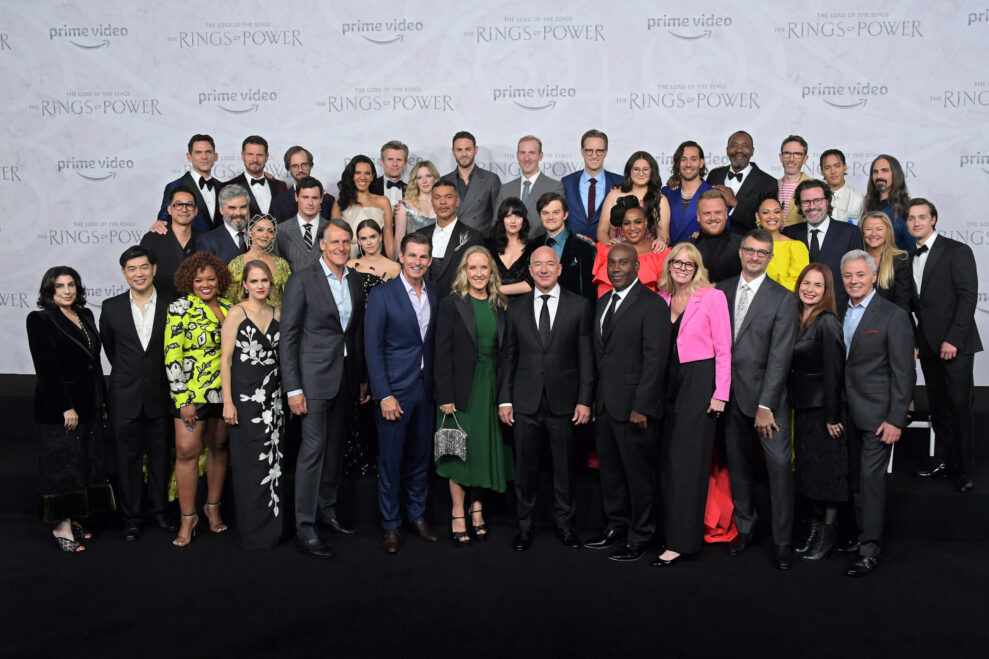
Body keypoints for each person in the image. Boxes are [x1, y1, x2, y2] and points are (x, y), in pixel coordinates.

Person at [280, 219, 368, 559]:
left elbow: (354, 333)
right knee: (313, 451)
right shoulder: (302, 280)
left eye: (346, 242)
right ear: (321, 244)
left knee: (335, 450)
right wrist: (293, 389)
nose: (341, 247)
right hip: (313, 381)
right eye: (335, 242)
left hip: (345, 378)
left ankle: (326, 510)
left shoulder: (355, 279)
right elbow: (289, 338)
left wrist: (361, 378)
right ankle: (305, 527)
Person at [499, 246, 594, 551]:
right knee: (525, 470)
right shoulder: (515, 308)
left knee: (564, 470)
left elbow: (586, 357)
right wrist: (505, 399)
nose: (543, 269)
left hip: (565, 403)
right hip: (524, 402)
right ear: (529, 270)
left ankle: (565, 526)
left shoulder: (579, 306)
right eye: (537, 265)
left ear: (559, 269)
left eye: (549, 264)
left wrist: (585, 399)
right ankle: (524, 528)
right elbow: (508, 357)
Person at [718, 229, 799, 570]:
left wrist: (766, 406)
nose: (754, 257)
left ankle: (782, 542)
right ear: (740, 252)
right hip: (729, 396)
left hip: (768, 401)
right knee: (737, 465)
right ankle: (745, 527)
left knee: (779, 469)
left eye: (762, 253)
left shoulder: (783, 298)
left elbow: (780, 357)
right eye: (750, 250)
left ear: (770, 257)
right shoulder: (720, 290)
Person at [583, 243, 670, 562]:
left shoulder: (652, 304)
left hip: (636, 409)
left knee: (638, 476)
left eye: (623, 263)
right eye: (612, 263)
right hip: (606, 405)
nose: (616, 268)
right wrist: (594, 399)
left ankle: (641, 534)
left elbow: (655, 359)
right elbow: (600, 356)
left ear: (637, 267)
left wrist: (642, 406)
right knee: (611, 473)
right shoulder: (603, 301)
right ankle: (616, 527)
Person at [651, 243, 731, 566]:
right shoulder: (661, 298)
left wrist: (720, 393)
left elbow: (724, 348)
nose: (682, 268)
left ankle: (681, 542)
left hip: (699, 380)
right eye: (677, 263)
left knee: (688, 464)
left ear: (697, 268)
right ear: (669, 265)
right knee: (667, 461)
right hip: (666, 381)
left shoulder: (712, 297)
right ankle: (667, 531)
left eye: (689, 264)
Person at [27, 266, 114, 552]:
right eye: (60, 286)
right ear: (49, 291)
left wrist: (101, 401)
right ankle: (61, 526)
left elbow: (94, 363)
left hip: (90, 404)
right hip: (60, 409)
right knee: (62, 466)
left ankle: (75, 517)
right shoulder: (40, 319)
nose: (67, 291)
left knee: (82, 463)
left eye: (71, 285)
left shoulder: (85, 315)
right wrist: (66, 407)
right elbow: (46, 368)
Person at [365, 233, 442, 554]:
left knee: (421, 459)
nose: (417, 262)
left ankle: (417, 516)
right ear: (401, 256)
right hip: (394, 392)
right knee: (391, 461)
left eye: (423, 257)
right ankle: (391, 524)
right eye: (412, 255)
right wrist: (383, 394)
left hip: (426, 391)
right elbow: (372, 348)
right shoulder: (382, 295)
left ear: (430, 259)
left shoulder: (435, 293)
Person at [840, 250, 914, 576]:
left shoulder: (893, 315)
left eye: (860, 275)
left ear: (873, 276)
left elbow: (904, 372)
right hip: (843, 413)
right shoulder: (837, 309)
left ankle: (869, 548)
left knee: (871, 482)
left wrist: (896, 418)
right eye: (848, 275)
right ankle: (856, 536)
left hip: (878, 416)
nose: (854, 281)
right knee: (851, 480)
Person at [434, 246, 514, 546]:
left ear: (491, 271)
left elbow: (506, 353)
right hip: (461, 389)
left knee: (482, 450)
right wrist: (445, 394)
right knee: (459, 451)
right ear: (464, 272)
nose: (478, 273)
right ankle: (458, 511)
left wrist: (505, 394)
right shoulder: (452, 303)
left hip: (491, 386)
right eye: (473, 268)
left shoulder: (499, 304)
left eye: (484, 268)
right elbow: (441, 352)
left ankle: (477, 508)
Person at [100, 246, 175, 541]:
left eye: (144, 267)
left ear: (154, 269)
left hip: (161, 393)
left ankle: (159, 512)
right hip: (125, 395)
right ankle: (132, 519)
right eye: (131, 269)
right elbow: (111, 349)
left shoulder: (172, 304)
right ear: (124, 273)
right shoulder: (111, 307)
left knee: (160, 457)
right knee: (127, 460)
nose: (138, 273)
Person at [908, 199, 981, 493]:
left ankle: (964, 471)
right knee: (938, 409)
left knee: (959, 408)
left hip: (955, 345)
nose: (916, 223)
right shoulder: (909, 258)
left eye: (922, 217)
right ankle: (947, 463)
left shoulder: (956, 251)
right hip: (928, 345)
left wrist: (953, 339)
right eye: (911, 218)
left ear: (933, 219)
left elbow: (967, 297)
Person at [164, 252, 233, 546]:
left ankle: (212, 508)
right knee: (187, 451)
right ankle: (187, 517)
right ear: (188, 282)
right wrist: (183, 399)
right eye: (198, 280)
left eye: (211, 278)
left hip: (224, 393)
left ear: (220, 280)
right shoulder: (180, 308)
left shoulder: (231, 308)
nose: (205, 284)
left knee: (219, 448)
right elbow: (172, 354)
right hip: (192, 394)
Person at [220, 260, 284, 550]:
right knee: (249, 465)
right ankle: (250, 531)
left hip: (274, 399)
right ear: (244, 284)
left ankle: (271, 530)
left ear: (271, 283)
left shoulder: (278, 313)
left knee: (272, 463)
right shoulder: (236, 313)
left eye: (264, 281)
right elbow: (225, 361)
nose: (260, 286)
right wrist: (228, 402)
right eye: (254, 281)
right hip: (245, 400)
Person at [790, 263, 847, 561]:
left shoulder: (827, 322)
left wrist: (832, 417)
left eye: (817, 285)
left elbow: (835, 372)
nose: (810, 289)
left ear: (826, 291)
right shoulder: (798, 317)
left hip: (824, 413)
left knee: (828, 476)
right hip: (803, 408)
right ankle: (814, 533)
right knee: (811, 474)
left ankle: (827, 536)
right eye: (806, 283)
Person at [782, 179, 863, 309]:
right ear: (799, 205)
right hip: (797, 310)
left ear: (828, 201)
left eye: (817, 200)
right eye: (806, 202)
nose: (812, 206)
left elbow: (857, 275)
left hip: (838, 310)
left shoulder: (850, 233)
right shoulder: (789, 233)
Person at [417, 179, 486, 296]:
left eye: (448, 197)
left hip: (458, 303)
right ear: (432, 202)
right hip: (423, 303)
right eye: (437, 197)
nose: (443, 202)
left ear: (457, 201)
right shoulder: (420, 234)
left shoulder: (473, 237)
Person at [706, 130, 779, 236]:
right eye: (734, 145)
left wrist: (735, 204)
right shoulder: (714, 175)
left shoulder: (768, 183)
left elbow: (765, 223)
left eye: (745, 146)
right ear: (727, 150)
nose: (739, 150)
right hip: (712, 241)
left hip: (747, 243)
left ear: (752, 151)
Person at [592, 196, 669, 295]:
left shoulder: (660, 254)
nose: (632, 228)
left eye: (638, 222)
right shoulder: (607, 251)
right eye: (627, 223)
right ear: (621, 226)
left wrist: (663, 239)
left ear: (646, 222)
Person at [597, 151, 670, 249]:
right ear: (629, 171)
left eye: (645, 169)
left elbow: (664, 235)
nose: (641, 173)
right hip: (618, 252)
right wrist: (610, 246)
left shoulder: (660, 200)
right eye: (636, 169)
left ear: (652, 172)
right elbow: (601, 231)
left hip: (648, 253)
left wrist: (662, 240)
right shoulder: (614, 195)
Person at [497, 135, 563, 239]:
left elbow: (558, 224)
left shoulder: (554, 187)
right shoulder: (505, 189)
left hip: (542, 246)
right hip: (510, 247)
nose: (526, 158)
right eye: (523, 153)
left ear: (540, 156)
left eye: (532, 153)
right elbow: (497, 223)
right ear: (517, 156)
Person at [561, 129, 623, 239]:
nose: (594, 156)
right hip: (573, 245)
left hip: (608, 246)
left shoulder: (620, 182)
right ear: (582, 151)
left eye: (599, 151)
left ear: (606, 152)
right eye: (589, 150)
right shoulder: (567, 182)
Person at [141, 186, 201, 300]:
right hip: (161, 305)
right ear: (169, 210)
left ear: (195, 211)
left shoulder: (205, 239)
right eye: (178, 205)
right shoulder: (152, 239)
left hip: (198, 306)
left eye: (189, 205)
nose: (184, 209)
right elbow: (142, 276)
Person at [331, 155, 396, 259]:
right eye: (358, 172)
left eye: (367, 173)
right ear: (351, 175)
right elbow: (335, 239)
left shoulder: (383, 202)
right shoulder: (339, 204)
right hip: (348, 259)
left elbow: (388, 237)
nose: (362, 177)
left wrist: (392, 263)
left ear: (372, 177)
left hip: (377, 258)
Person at [537, 192, 596, 302]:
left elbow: (590, 292)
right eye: (545, 213)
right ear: (540, 216)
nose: (550, 217)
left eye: (556, 212)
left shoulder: (585, 247)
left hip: (574, 309)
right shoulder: (532, 246)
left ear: (565, 214)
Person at [156, 134, 220, 232]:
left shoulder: (224, 187)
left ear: (215, 156)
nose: (204, 157)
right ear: (189, 157)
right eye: (198, 152)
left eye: (208, 152)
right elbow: (163, 222)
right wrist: (160, 223)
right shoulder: (175, 186)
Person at [443, 131, 501, 236]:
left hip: (482, 241)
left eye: (468, 149)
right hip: (452, 241)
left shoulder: (491, 180)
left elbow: (498, 217)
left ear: (475, 150)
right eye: (459, 150)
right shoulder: (444, 181)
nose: (464, 154)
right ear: (453, 151)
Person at [225, 214, 291, 306]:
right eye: (260, 230)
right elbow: (228, 300)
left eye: (270, 231)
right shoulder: (235, 265)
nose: (265, 235)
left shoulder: (281, 264)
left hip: (278, 314)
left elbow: (290, 297)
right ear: (249, 231)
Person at [274, 176, 329, 273]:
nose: (310, 203)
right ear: (296, 197)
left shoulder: (332, 230)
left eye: (315, 198)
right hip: (293, 282)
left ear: (321, 199)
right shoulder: (281, 230)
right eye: (305, 197)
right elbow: (276, 270)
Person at [662, 140, 714, 244]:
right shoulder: (666, 193)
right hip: (669, 253)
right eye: (683, 159)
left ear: (701, 163)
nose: (688, 164)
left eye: (693, 159)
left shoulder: (714, 195)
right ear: (678, 163)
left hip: (701, 253)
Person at [221, 135, 286, 217]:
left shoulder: (281, 186)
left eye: (259, 155)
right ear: (242, 155)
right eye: (250, 154)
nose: (255, 160)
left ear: (266, 157)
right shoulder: (228, 187)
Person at [755, 193, 809, 291]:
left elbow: (799, 283)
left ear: (782, 214)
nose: (772, 216)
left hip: (783, 299)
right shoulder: (749, 245)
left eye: (777, 212)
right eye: (766, 212)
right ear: (758, 216)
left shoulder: (795, 247)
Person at [270, 145, 336, 223]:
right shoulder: (279, 202)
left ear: (311, 166)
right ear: (288, 169)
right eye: (295, 166)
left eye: (304, 165)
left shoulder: (328, 200)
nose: (300, 170)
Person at [863, 154, 915, 252]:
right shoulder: (867, 205)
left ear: (895, 174)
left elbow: (913, 248)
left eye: (885, 171)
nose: (879, 176)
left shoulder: (907, 209)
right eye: (875, 172)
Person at [860, 211, 910, 311]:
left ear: (888, 232)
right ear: (862, 232)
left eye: (879, 229)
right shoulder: (856, 258)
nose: (873, 234)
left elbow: (902, 302)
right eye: (868, 229)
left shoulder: (900, 259)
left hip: (890, 317)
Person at [689, 190, 742, 284]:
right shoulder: (686, 247)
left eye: (718, 212)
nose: (713, 218)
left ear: (726, 214)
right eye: (707, 213)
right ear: (698, 216)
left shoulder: (743, 245)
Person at [490, 197, 535, 298]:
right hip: (492, 303)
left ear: (523, 220)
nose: (513, 221)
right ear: (502, 219)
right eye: (508, 216)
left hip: (523, 304)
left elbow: (530, 284)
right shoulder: (490, 245)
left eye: (518, 216)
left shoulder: (532, 247)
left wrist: (495, 289)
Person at [198, 183, 251, 264]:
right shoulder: (207, 241)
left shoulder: (260, 235)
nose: (238, 213)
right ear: (221, 210)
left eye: (243, 207)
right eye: (232, 208)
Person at [347, 218, 402, 292]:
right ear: (359, 241)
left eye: (373, 237)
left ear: (380, 237)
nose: (369, 242)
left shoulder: (395, 267)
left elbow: (398, 295)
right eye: (363, 239)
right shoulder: (351, 265)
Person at [393, 160, 440, 238]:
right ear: (415, 181)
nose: (424, 181)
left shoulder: (443, 204)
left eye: (428, 176)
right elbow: (399, 241)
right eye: (419, 177)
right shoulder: (404, 206)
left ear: (434, 177)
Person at [819, 149, 864, 224]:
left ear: (845, 167)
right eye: (827, 168)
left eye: (837, 166)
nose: (833, 171)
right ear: (821, 171)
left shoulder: (858, 198)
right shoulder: (815, 198)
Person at [777, 135, 812, 225]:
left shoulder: (813, 188)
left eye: (797, 154)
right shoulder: (772, 185)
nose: (791, 159)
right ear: (781, 157)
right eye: (787, 153)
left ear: (805, 159)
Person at [369, 140, 409, 206]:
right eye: (390, 159)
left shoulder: (412, 190)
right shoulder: (370, 187)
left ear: (405, 164)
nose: (395, 164)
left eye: (399, 159)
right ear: (382, 162)